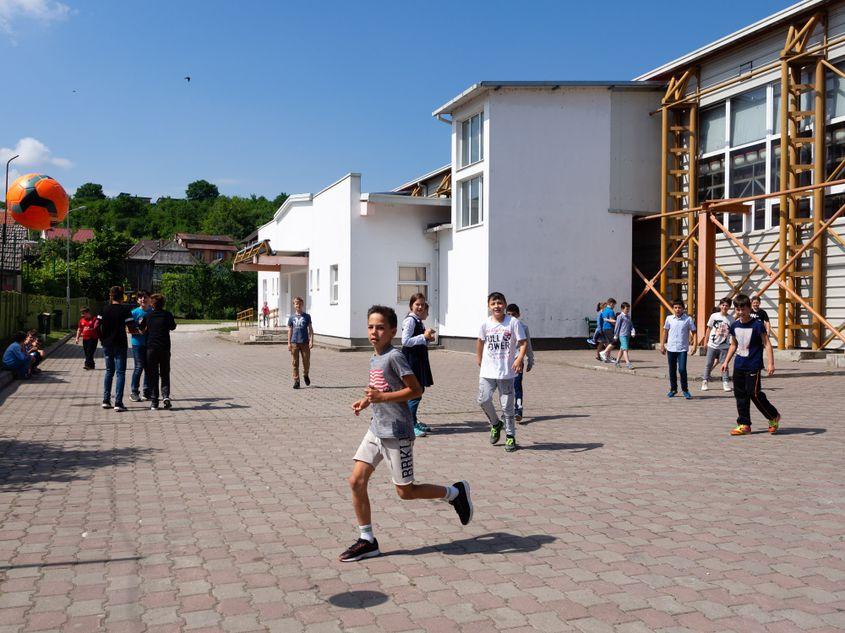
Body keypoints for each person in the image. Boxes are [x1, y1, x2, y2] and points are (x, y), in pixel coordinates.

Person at [340, 305, 472, 562]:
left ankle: (455, 493)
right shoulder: (375, 357)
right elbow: (378, 385)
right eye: (370, 327)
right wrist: (367, 400)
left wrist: (382, 397)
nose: (374, 332)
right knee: (355, 481)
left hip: (397, 432)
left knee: (406, 492)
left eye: (380, 328)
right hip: (376, 429)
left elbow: (416, 389)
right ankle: (367, 540)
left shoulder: (394, 356)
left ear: (392, 331)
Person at [721, 293, 780, 436]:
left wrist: (770, 363)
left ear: (749, 309)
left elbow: (767, 344)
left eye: (743, 309)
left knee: (754, 393)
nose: (740, 312)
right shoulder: (734, 325)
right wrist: (726, 361)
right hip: (739, 365)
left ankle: (773, 416)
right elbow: (733, 345)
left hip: (753, 364)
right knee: (740, 395)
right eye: (738, 309)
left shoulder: (757, 325)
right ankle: (744, 424)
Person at [477, 292, 528, 452]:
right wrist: (478, 358)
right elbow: (480, 341)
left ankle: (510, 436)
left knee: (507, 406)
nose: (497, 306)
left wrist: (519, 359)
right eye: (493, 303)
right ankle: (495, 423)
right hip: (487, 370)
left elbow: (523, 342)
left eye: (499, 303)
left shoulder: (512, 323)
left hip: (506, 372)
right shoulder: (486, 324)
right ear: (489, 306)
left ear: (505, 304)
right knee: (483, 399)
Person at [401, 293, 435, 437]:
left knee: (418, 390)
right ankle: (409, 425)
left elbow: (417, 339)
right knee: (415, 392)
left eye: (422, 304)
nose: (420, 307)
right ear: (411, 306)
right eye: (417, 304)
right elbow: (405, 341)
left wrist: (427, 338)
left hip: (418, 359)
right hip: (412, 360)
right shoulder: (410, 320)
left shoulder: (418, 320)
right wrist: (423, 337)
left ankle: (413, 421)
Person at [98, 285, 135, 412]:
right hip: (120, 344)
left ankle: (106, 400)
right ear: (122, 297)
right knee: (120, 373)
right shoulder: (125, 310)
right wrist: (138, 331)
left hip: (107, 344)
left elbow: (97, 325)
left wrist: (102, 339)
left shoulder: (104, 309)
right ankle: (118, 402)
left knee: (109, 371)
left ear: (110, 296)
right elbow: (131, 327)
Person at [138, 293, 177, 411]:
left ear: (152, 304)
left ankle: (154, 401)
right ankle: (165, 396)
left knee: (153, 375)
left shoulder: (148, 315)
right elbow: (173, 327)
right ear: (163, 303)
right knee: (165, 373)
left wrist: (144, 329)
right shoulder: (167, 315)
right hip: (164, 348)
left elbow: (141, 328)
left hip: (151, 348)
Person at [660, 299, 697, 399]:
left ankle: (685, 390)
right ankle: (673, 389)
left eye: (679, 307)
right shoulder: (669, 318)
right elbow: (665, 332)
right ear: (673, 309)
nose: (677, 310)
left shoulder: (688, 319)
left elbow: (694, 332)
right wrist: (662, 345)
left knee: (682, 369)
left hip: (682, 349)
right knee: (672, 369)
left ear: (683, 309)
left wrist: (694, 345)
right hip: (671, 348)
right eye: (675, 308)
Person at [505, 303, 534, 423]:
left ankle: (518, 410)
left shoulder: (523, 327)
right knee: (506, 387)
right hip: (505, 362)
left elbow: (528, 345)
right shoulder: (503, 327)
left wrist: (530, 360)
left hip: (518, 361)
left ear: (518, 315)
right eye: (509, 314)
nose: (511, 317)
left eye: (514, 315)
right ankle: (507, 411)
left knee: (517, 385)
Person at [702, 298, 735, 392]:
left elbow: (733, 333)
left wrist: (733, 345)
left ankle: (725, 382)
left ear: (729, 307)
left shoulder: (731, 319)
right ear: (720, 305)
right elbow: (708, 329)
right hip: (712, 345)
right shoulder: (714, 316)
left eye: (727, 305)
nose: (724, 307)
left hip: (724, 347)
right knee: (708, 364)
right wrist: (705, 342)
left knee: (725, 365)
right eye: (723, 305)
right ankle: (705, 380)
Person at [130, 292, 153, 402]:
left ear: (150, 299)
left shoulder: (153, 312)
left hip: (150, 344)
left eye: (145, 297)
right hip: (137, 344)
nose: (143, 299)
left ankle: (147, 392)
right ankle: (134, 392)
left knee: (149, 368)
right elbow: (127, 328)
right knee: (139, 367)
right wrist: (138, 331)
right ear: (138, 300)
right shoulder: (134, 313)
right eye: (140, 297)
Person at [287, 297, 313, 389]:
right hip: (294, 343)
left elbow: (310, 329)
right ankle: (296, 381)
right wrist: (289, 343)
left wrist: (311, 340)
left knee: (306, 361)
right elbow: (290, 330)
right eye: (296, 304)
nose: (298, 305)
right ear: (294, 305)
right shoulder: (291, 318)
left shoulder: (307, 316)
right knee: (295, 362)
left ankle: (305, 374)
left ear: (302, 305)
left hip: (305, 343)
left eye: (300, 304)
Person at [612, 302, 635, 369]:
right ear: (622, 309)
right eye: (626, 309)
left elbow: (631, 326)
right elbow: (617, 326)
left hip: (627, 335)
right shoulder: (620, 317)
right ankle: (628, 363)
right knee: (625, 349)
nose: (628, 310)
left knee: (622, 349)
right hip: (622, 335)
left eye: (628, 309)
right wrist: (615, 335)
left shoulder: (628, 317)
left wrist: (633, 331)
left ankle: (617, 362)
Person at [598, 298, 618, 362]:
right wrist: (617, 325)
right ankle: (603, 353)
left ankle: (607, 357)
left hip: (605, 328)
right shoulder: (611, 311)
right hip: (609, 328)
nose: (614, 306)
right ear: (611, 303)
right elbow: (612, 321)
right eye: (614, 304)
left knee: (609, 343)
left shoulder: (604, 310)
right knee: (614, 342)